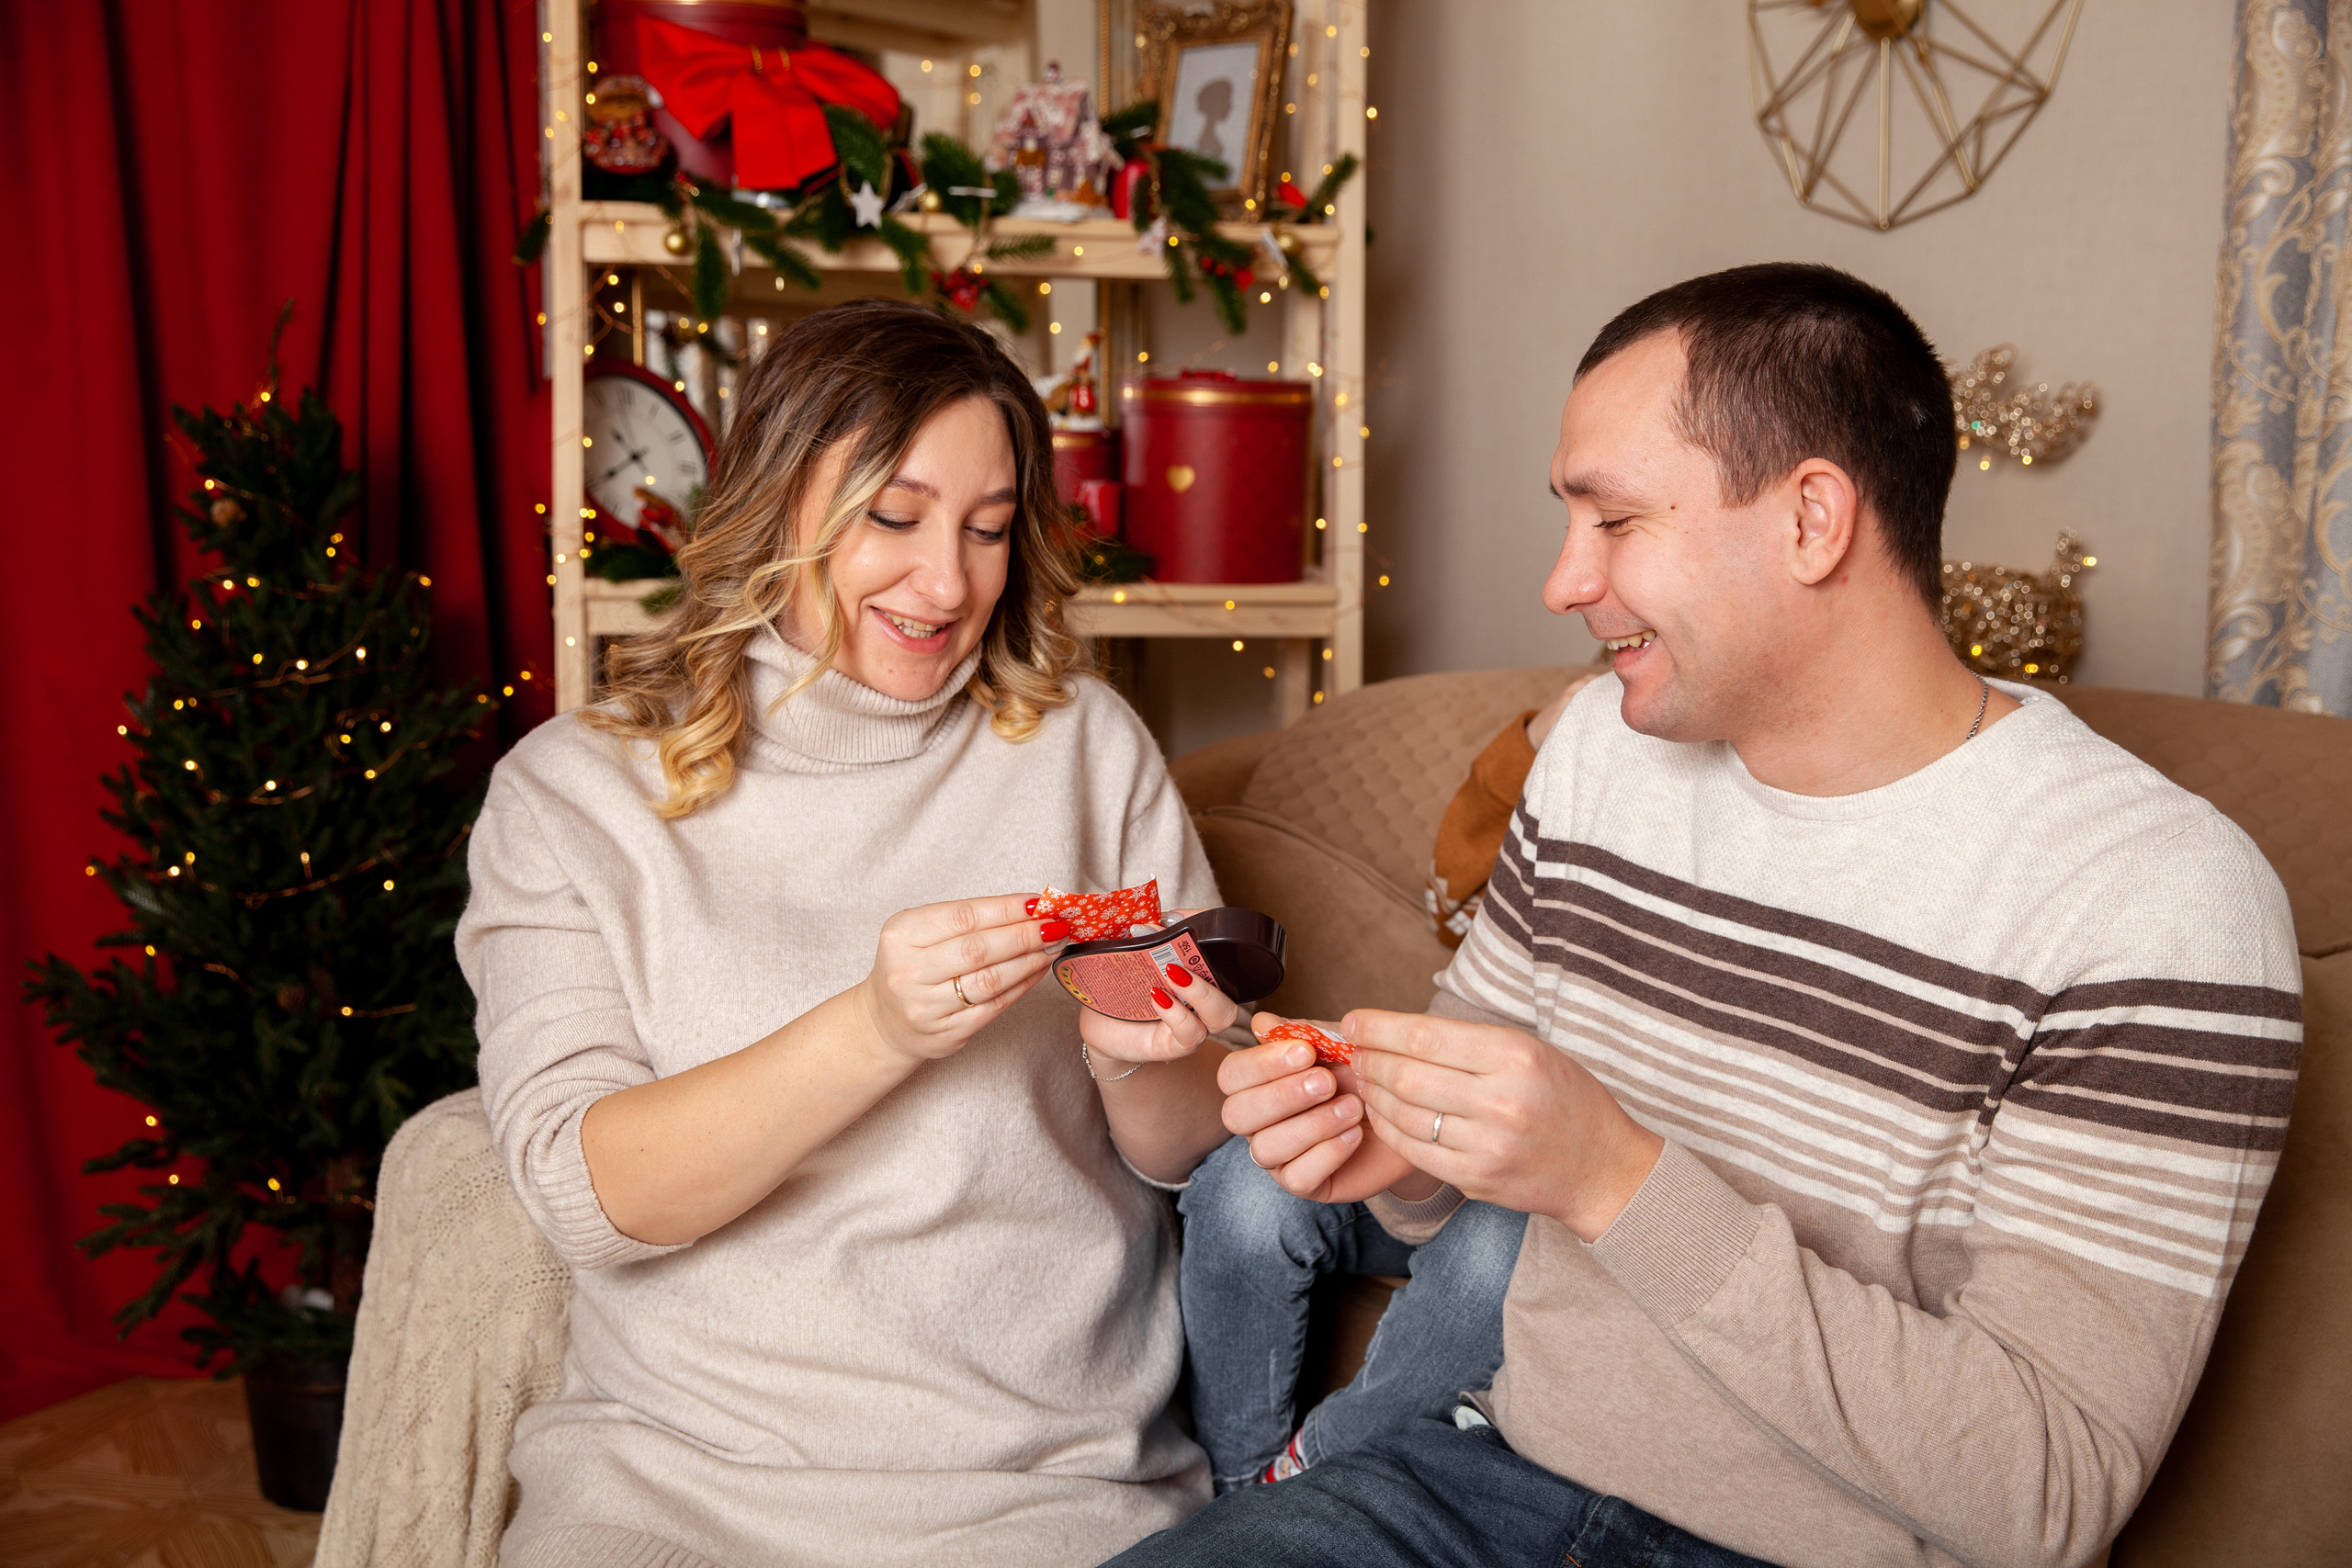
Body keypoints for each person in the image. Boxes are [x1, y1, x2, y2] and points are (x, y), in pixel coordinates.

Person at [1106, 263, 2303, 1568]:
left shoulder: (2158, 894)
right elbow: (1459, 1210)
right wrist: (1402, 1160)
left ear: (1811, 521)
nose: (1565, 580)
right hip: (1483, 1476)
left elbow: (2045, 1497)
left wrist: (1616, 1178)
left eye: (1614, 521)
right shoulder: (1599, 760)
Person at [460, 299, 1241, 1568]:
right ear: (777, 507)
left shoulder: (1085, 749)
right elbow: (585, 1197)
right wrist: (876, 1029)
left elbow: (1192, 1151)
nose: (948, 584)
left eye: (988, 529)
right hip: (671, 1485)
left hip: (1044, 1490)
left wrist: (1135, 1061)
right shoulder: (572, 795)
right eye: (893, 518)